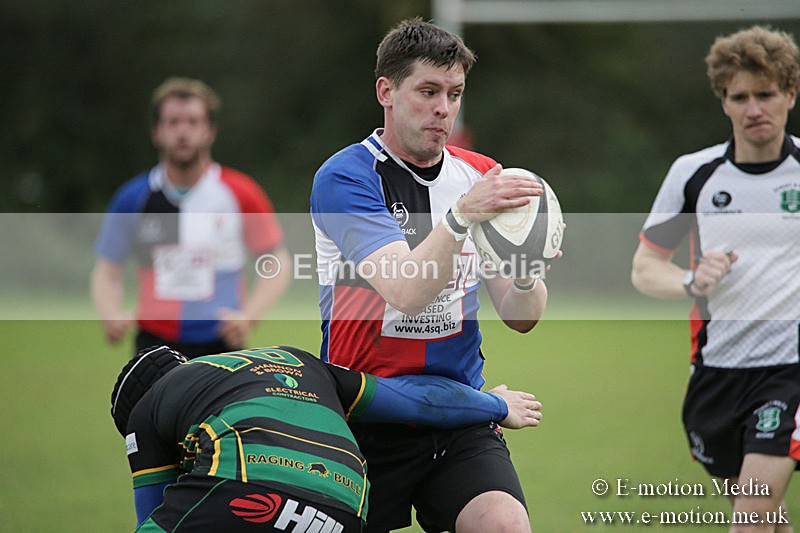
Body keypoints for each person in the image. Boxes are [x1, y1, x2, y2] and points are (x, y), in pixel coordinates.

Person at [310, 18, 552, 533]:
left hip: (461, 414)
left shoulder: (480, 173)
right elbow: (407, 291)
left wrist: (528, 270)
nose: (444, 107)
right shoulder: (346, 178)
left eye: (455, 93)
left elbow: (519, 315)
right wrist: (463, 216)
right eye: (428, 91)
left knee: (506, 526)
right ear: (387, 91)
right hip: (365, 418)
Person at [631, 25, 800, 533]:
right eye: (740, 97)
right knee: (766, 520)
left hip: (790, 371)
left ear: (790, 94)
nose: (754, 109)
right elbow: (644, 268)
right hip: (716, 374)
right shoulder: (693, 175)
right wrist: (690, 281)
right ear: (723, 103)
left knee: (749, 520)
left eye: (766, 94)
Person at [111, 345, 543, 531]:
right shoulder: (294, 361)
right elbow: (416, 401)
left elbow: (152, 510)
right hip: (348, 506)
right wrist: (494, 405)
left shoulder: (146, 409)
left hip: (244, 489)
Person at [91, 77, 291, 358]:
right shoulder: (134, 198)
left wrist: (248, 317)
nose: (183, 131)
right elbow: (107, 271)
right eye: (173, 122)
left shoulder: (240, 193)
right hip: (154, 343)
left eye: (193, 122)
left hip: (221, 343)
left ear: (210, 130)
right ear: (157, 132)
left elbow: (276, 262)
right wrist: (110, 313)